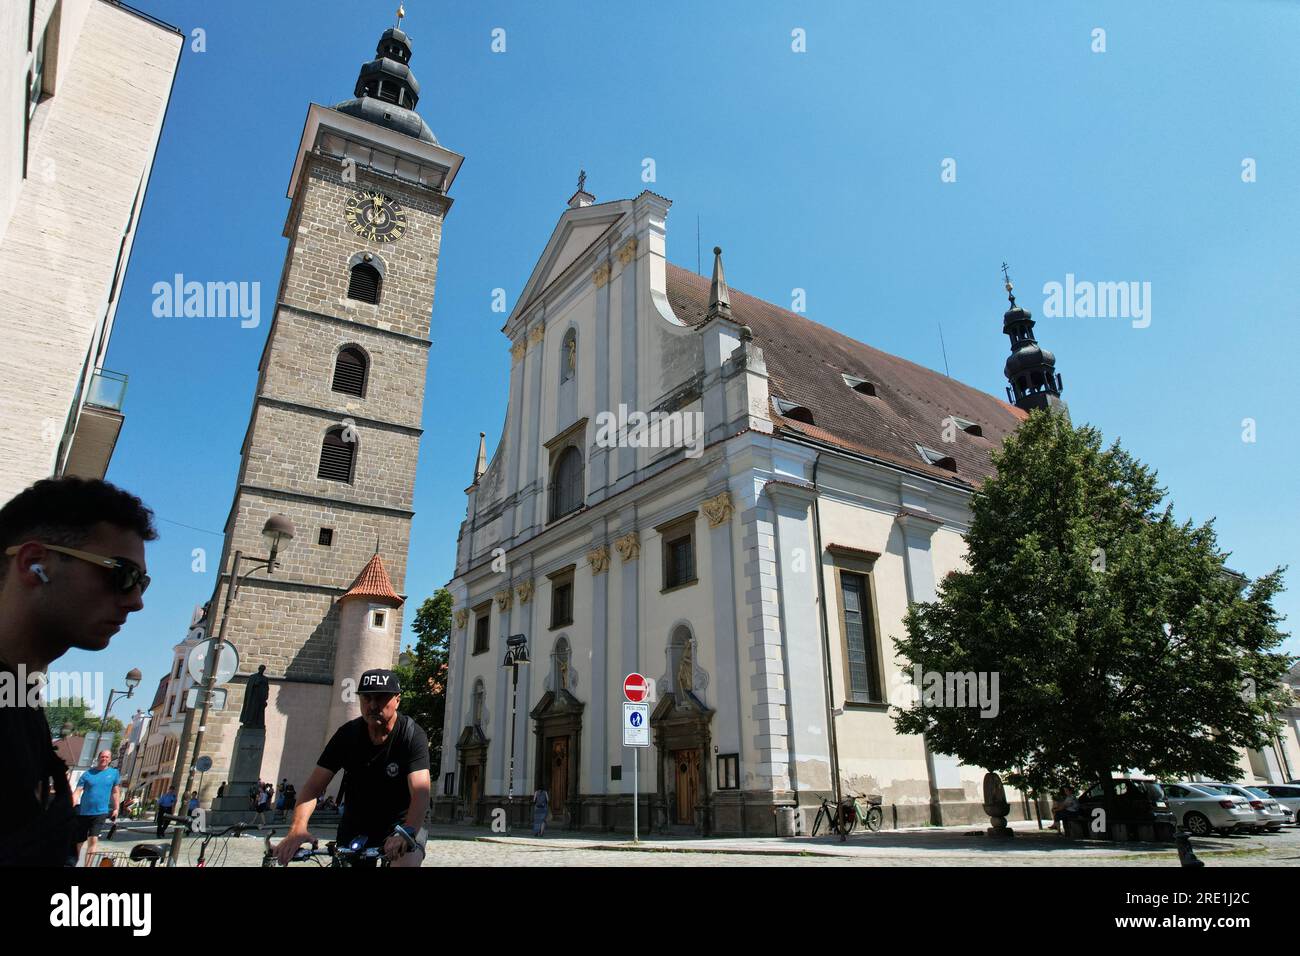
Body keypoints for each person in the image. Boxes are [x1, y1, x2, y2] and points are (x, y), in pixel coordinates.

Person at [0, 477, 155, 866]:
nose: (135, 601)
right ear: (35, 564)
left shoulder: (20, 699)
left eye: (142, 583)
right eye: (121, 574)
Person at [273, 669, 429, 867]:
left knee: (405, 863)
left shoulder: (411, 735)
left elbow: (421, 791)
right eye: (366, 698)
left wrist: (407, 832)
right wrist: (298, 828)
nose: (372, 705)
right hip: (355, 825)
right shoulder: (348, 735)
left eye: (380, 698)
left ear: (397, 699)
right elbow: (313, 788)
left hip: (402, 824)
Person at [72, 750, 121, 865]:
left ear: (110, 760)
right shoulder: (88, 774)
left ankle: (87, 865)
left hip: (100, 812)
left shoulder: (113, 773)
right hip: (84, 811)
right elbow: (78, 791)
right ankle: (75, 862)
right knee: (79, 841)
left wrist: (116, 808)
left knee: (93, 839)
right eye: (102, 756)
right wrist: (72, 803)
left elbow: (115, 792)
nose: (104, 759)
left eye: (107, 757)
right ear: (98, 758)